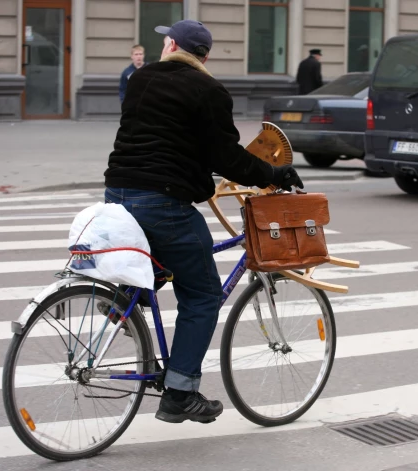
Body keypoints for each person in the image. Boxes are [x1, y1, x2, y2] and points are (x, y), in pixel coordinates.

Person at [102, 19, 303, 424]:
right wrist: (275, 174)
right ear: (204, 56)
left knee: (166, 255)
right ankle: (180, 392)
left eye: (164, 41)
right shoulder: (208, 89)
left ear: (171, 45)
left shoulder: (142, 80)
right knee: (204, 293)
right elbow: (225, 157)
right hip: (162, 201)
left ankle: (125, 301)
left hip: (117, 192)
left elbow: (161, 136)